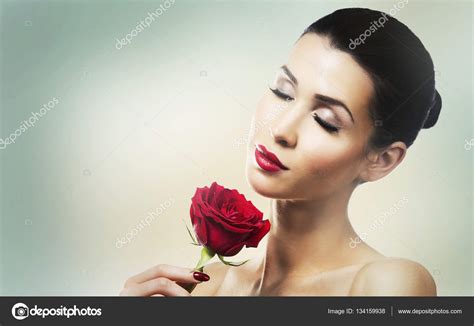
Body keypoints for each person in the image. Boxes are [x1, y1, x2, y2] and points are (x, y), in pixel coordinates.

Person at [120, 7, 441, 297]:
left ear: (381, 160)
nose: (281, 129)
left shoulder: (388, 283)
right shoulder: (207, 287)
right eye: (282, 92)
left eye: (326, 121)